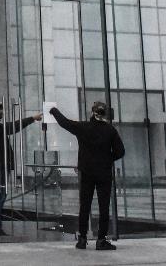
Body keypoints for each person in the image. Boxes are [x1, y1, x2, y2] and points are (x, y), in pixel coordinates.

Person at [50, 101, 125, 251]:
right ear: (104, 114)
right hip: (103, 173)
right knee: (104, 206)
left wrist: (53, 110)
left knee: (85, 206)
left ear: (92, 113)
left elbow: (64, 123)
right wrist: (107, 158)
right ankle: (101, 240)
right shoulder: (110, 130)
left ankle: (82, 239)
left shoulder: (83, 127)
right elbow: (120, 151)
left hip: (87, 172)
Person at [0, 102, 43, 236]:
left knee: (0, 195)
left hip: (1, 165)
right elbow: (12, 127)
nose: (2, 113)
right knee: (0, 195)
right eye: (0, 110)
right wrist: (32, 118)